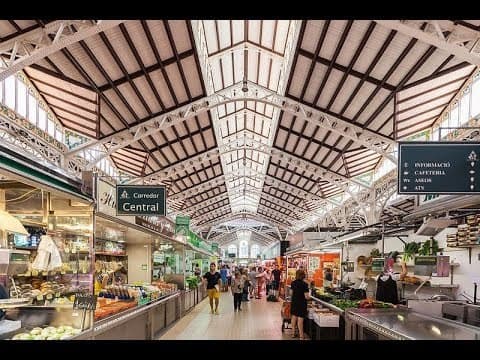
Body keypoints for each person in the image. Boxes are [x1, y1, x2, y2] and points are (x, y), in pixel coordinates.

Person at [290, 269, 310, 340]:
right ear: (303, 275)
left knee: (294, 317)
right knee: (300, 319)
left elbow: (291, 293)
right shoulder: (305, 284)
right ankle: (301, 336)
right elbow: (306, 297)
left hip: (294, 302)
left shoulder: (293, 283)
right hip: (301, 303)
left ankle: (293, 333)